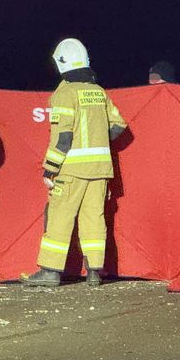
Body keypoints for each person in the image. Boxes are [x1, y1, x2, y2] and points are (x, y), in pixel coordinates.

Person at [24, 38, 127, 287]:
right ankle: (94, 271)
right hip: (101, 169)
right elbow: (119, 125)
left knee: (60, 216)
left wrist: (50, 168)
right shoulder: (98, 92)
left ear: (61, 64)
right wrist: (97, 139)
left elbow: (63, 138)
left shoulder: (64, 93)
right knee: (94, 218)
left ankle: (50, 271)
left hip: (71, 170)